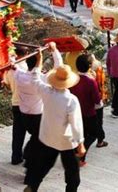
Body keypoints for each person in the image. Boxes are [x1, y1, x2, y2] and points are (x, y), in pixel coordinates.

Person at [23, 44, 85, 192]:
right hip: (66, 141)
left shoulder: (46, 92)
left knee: (42, 167)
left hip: (47, 137)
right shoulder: (71, 100)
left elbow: (35, 79)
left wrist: (39, 60)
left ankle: (32, 186)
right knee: (72, 174)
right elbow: (76, 125)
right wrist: (80, 143)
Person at [15, 44, 62, 165]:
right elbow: (58, 68)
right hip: (38, 115)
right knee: (39, 138)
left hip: (24, 114)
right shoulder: (40, 79)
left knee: (36, 136)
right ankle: (29, 157)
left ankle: (28, 157)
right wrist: (54, 50)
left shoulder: (19, 75)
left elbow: (14, 65)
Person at [70, 54, 101, 166]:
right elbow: (97, 99)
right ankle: (80, 153)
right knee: (92, 134)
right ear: (89, 66)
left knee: (79, 134)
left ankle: (78, 156)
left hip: (76, 112)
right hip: (89, 112)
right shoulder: (90, 81)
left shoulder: (73, 79)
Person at [2, 47, 28, 165]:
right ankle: (29, 154)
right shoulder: (26, 68)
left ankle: (15, 156)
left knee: (17, 131)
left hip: (15, 102)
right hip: (28, 105)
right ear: (26, 54)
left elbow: (6, 84)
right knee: (35, 131)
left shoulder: (9, 69)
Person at [88, 55, 109, 148]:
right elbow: (101, 85)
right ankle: (100, 140)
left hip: (87, 103)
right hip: (96, 101)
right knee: (98, 122)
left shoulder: (82, 75)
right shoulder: (98, 71)